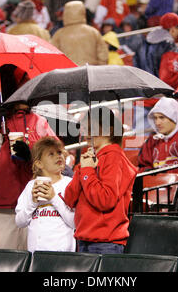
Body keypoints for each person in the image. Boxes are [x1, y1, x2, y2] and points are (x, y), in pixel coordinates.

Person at [0, 63, 57, 250]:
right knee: (3, 265)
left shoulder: (37, 120)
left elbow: (58, 164)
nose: (30, 90)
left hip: (35, 205)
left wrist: (32, 156)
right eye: (24, 85)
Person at [63, 106, 137, 254]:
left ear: (109, 131)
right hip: (84, 239)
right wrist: (83, 170)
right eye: (85, 128)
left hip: (106, 243)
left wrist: (87, 172)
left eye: (93, 128)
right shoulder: (90, 158)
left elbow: (105, 200)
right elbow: (69, 199)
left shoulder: (114, 158)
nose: (87, 134)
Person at [15, 136, 75, 252]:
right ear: (39, 163)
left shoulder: (70, 184)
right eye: (51, 154)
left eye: (59, 152)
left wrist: (54, 198)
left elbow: (75, 223)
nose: (58, 156)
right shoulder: (31, 186)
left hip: (63, 256)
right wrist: (32, 203)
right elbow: (19, 222)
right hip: (35, 256)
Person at [137, 97, 178, 173]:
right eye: (155, 118)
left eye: (162, 118)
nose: (157, 123)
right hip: (158, 183)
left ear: (173, 116)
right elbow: (143, 167)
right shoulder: (151, 140)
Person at [135, 12, 178, 90]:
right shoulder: (169, 46)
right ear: (172, 30)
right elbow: (168, 77)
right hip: (161, 95)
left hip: (142, 94)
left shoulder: (142, 43)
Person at [51, 0, 108, 66]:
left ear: (65, 13)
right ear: (83, 12)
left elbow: (53, 56)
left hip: (67, 72)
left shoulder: (58, 34)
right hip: (89, 71)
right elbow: (103, 55)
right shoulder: (93, 32)